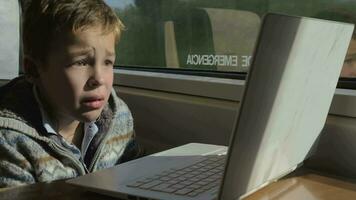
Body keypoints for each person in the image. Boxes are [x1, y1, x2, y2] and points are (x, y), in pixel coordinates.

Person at [0, 0, 142, 188]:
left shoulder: (119, 117)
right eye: (81, 62)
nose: (98, 78)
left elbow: (136, 178)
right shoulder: (10, 142)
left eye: (108, 62)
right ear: (34, 70)